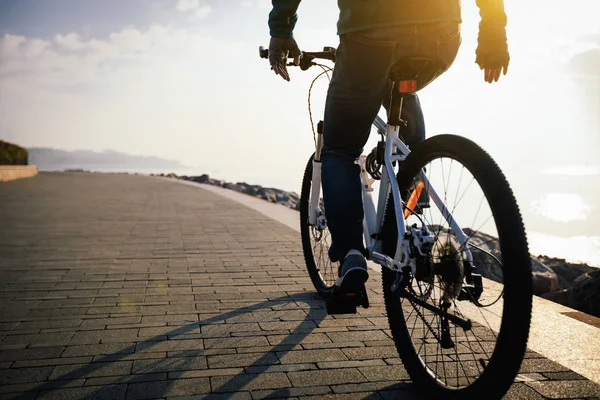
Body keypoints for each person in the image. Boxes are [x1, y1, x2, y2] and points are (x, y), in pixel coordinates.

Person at [267, 0, 510, 296]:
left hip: (370, 31)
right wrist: (493, 30)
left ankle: (352, 256)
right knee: (408, 140)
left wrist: (281, 29)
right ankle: (399, 225)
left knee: (340, 151)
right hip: (441, 34)